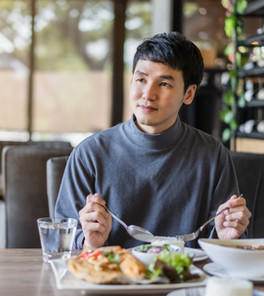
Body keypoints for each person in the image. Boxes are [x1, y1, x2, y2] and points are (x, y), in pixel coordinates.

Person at [55, 32, 251, 250]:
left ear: (188, 94)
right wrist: (89, 241)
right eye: (141, 80)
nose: (148, 94)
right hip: (114, 279)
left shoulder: (212, 154)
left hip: (190, 280)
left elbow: (229, 238)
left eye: (164, 84)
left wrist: (226, 237)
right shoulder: (90, 154)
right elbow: (58, 243)